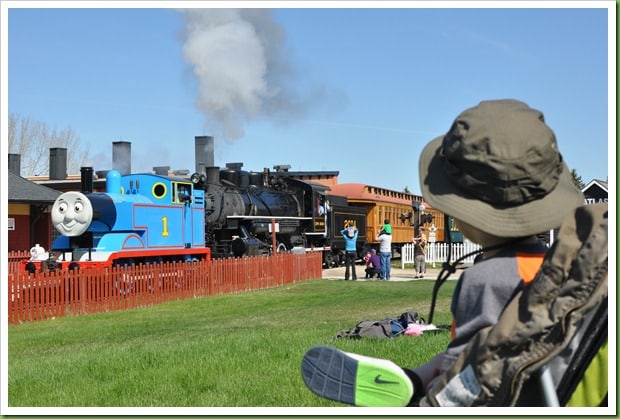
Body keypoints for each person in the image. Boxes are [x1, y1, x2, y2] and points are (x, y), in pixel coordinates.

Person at [302, 99, 584, 406]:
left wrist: (428, 402)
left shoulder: (487, 279)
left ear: (463, 212)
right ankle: (412, 378)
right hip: (542, 383)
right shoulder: (559, 265)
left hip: (499, 395)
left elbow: (469, 379)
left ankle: (413, 386)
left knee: (456, 362)